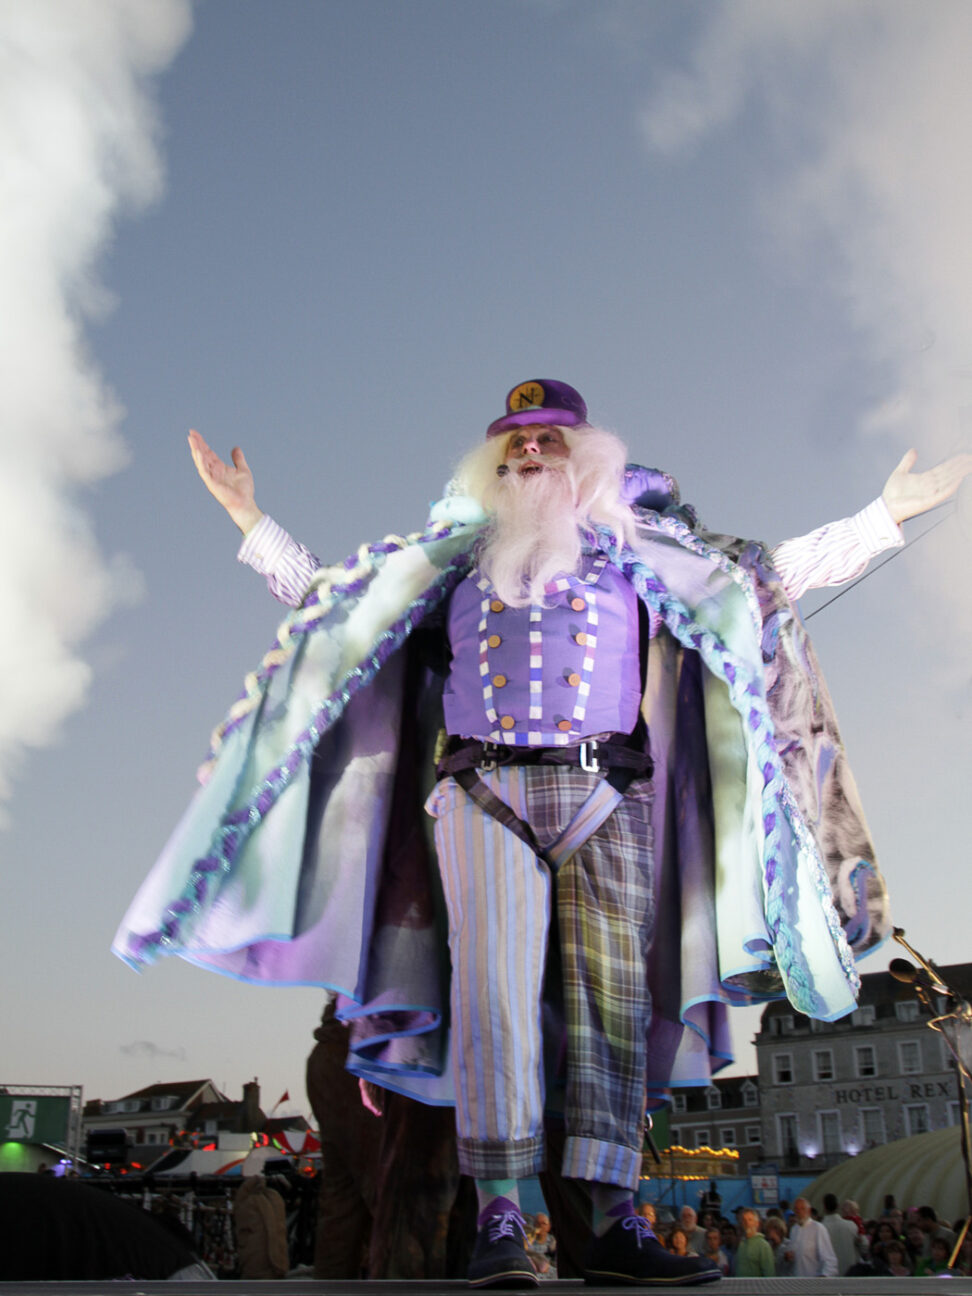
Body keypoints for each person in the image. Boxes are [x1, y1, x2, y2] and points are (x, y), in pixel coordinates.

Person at [115, 379, 970, 1288]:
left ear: (587, 456)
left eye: (548, 442)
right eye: (513, 445)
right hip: (482, 796)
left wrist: (884, 517)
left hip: (609, 796)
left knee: (609, 1014)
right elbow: (338, 607)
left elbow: (765, 578)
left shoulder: (643, 552)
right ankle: (501, 1221)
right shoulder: (452, 561)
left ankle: (611, 1225)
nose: (528, 455)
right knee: (495, 1005)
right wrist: (252, 523)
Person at [784, 1197, 838, 1278]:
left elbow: (829, 1258)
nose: (799, 1212)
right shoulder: (794, 1229)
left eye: (802, 1209)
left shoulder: (818, 1228)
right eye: (796, 1209)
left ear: (808, 1211)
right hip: (797, 1280)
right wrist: (788, 1257)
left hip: (814, 1280)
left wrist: (824, 1275)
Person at [733, 1208, 774, 1278]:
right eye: (744, 1220)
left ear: (757, 1223)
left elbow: (769, 1274)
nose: (747, 1223)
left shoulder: (763, 1245)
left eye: (750, 1220)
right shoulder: (741, 1244)